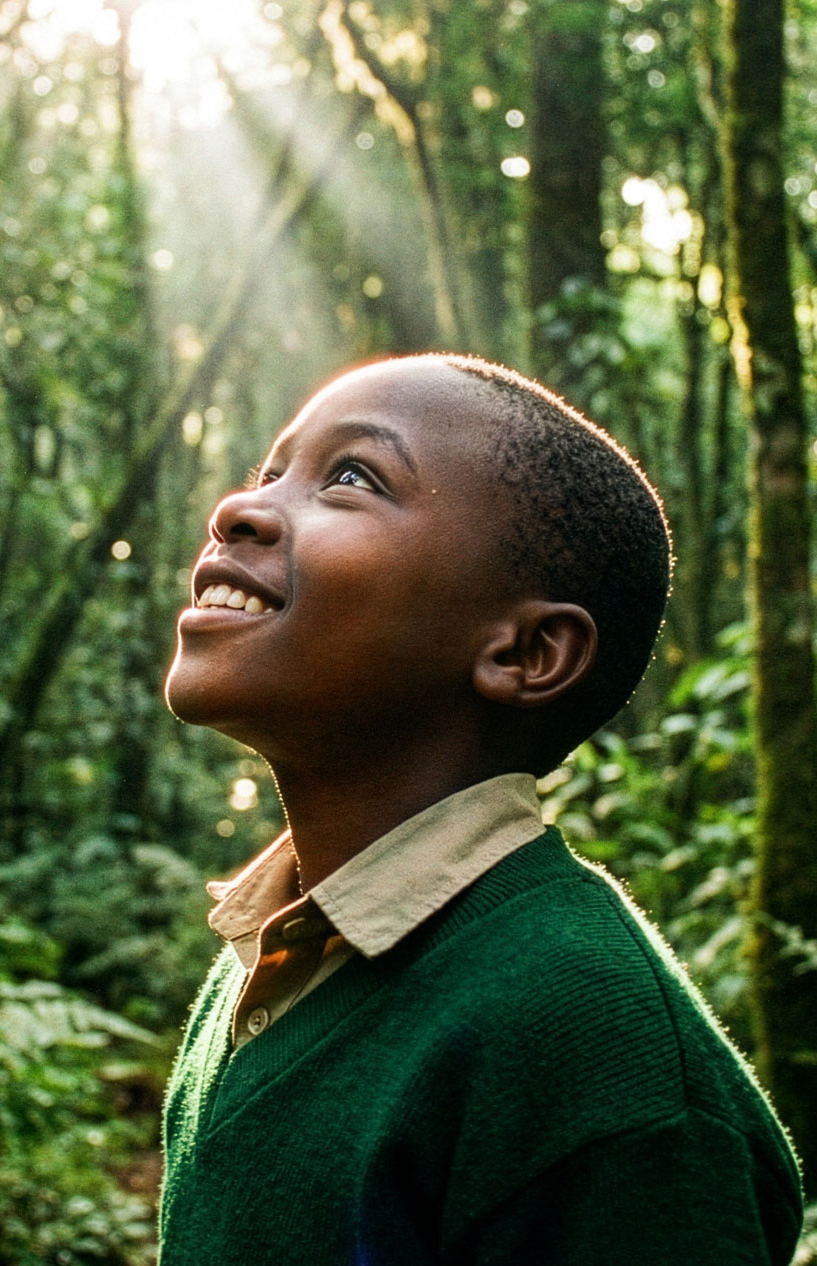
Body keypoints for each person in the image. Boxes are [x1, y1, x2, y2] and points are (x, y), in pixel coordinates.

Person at [155, 354, 803, 1264]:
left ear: (528, 652)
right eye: (270, 474)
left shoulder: (596, 1053)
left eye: (351, 478)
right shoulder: (271, 958)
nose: (237, 508)